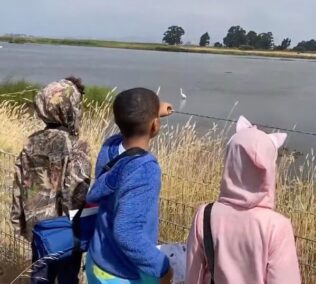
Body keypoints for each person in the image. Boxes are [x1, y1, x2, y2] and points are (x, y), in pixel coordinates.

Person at [186, 116, 301, 284]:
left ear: (229, 162)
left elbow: (192, 276)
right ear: (269, 169)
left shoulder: (204, 215)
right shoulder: (276, 227)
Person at [85, 88, 173, 284]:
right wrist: (162, 267)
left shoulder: (110, 146)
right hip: (125, 274)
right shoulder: (145, 170)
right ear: (155, 126)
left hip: (97, 260)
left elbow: (130, 116)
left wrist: (152, 112)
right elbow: (127, 232)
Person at [11, 77, 92, 284]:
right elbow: (75, 194)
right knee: (67, 277)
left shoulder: (32, 141)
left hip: (37, 226)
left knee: (40, 276)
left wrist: (19, 219)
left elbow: (20, 183)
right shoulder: (75, 146)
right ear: (71, 107)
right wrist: (76, 225)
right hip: (64, 229)